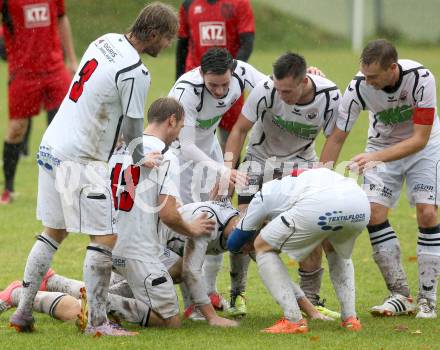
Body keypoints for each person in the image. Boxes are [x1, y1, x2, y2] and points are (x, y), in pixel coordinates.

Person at [9, 2, 179, 336]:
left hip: (53, 145)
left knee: (53, 231)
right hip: (82, 158)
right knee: (105, 237)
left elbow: (98, 98)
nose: (168, 45)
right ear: (155, 34)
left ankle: (23, 311)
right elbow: (133, 128)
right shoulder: (136, 71)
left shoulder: (104, 41)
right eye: (168, 38)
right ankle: (99, 323)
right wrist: (140, 156)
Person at [320, 39, 440, 319]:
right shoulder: (358, 86)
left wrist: (377, 157)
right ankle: (400, 294)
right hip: (380, 146)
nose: (368, 81)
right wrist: (321, 178)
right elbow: (338, 136)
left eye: (374, 76)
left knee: (426, 213)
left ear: (393, 68)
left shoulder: (421, 78)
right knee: (373, 214)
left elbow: (419, 139)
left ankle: (427, 298)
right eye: (365, 74)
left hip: (425, 148)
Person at [224, 52, 342, 318]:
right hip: (258, 161)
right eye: (279, 89)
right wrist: (228, 171)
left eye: (287, 91)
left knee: (310, 230)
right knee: (244, 226)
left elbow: (334, 138)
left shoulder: (330, 96)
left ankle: (312, 300)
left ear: (304, 81)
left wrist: (323, 178)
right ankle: (237, 295)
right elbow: (239, 130)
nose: (282, 96)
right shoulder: (267, 89)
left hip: (301, 165)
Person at [108, 96, 216, 329]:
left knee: (177, 268)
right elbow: (168, 215)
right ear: (172, 120)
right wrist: (191, 228)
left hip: (107, 243)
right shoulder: (165, 155)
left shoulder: (119, 147)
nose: (179, 133)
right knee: (171, 324)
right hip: (137, 250)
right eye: (180, 126)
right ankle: (94, 299)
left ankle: (98, 291)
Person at [227, 168, 370, 333]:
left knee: (262, 246)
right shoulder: (305, 179)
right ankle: (351, 318)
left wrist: (251, 237)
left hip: (320, 206)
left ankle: (293, 320)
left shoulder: (264, 193)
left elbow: (234, 241)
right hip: (359, 204)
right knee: (335, 248)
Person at [0, 0, 78, 204]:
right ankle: (8, 189)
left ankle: (66, 187)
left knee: (64, 127)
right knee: (17, 128)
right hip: (23, 72)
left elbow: (62, 19)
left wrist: (71, 59)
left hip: (54, 69)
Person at [175, 0, 255, 150]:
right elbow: (182, 44)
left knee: (231, 139)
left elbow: (247, 43)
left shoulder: (240, 3)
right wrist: (179, 81)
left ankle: (230, 170)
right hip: (198, 87)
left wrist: (230, 74)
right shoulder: (188, 4)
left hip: (227, 83)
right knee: (190, 143)